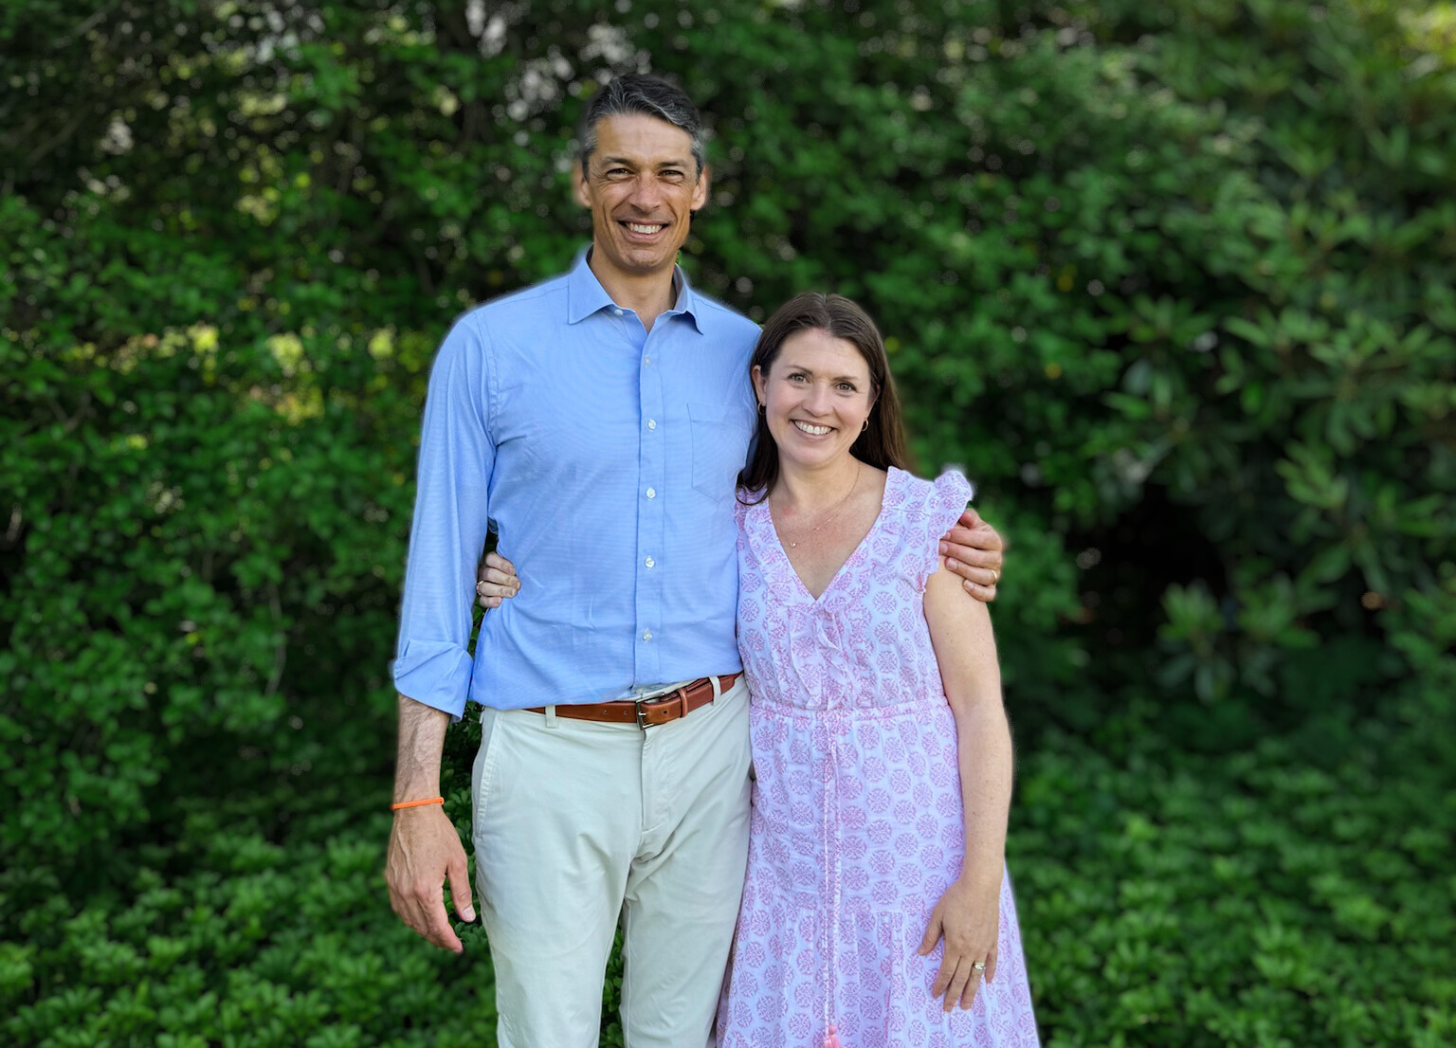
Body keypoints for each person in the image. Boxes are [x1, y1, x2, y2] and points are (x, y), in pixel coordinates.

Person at [386, 74, 1008, 1048]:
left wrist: (954, 540)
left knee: (682, 1034)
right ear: (582, 182)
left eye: (669, 173)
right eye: (621, 171)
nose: (645, 195)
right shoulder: (491, 349)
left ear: (700, 188)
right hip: (548, 747)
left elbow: (835, 484)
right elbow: (436, 581)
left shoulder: (742, 356)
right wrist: (417, 796)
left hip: (713, 753)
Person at [718, 293, 1039, 1046]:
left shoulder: (926, 523)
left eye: (843, 386)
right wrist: (506, 573)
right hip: (780, 883)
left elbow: (981, 710)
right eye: (798, 378)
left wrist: (980, 882)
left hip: (920, 877)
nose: (817, 404)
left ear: (870, 404)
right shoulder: (726, 523)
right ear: (762, 383)